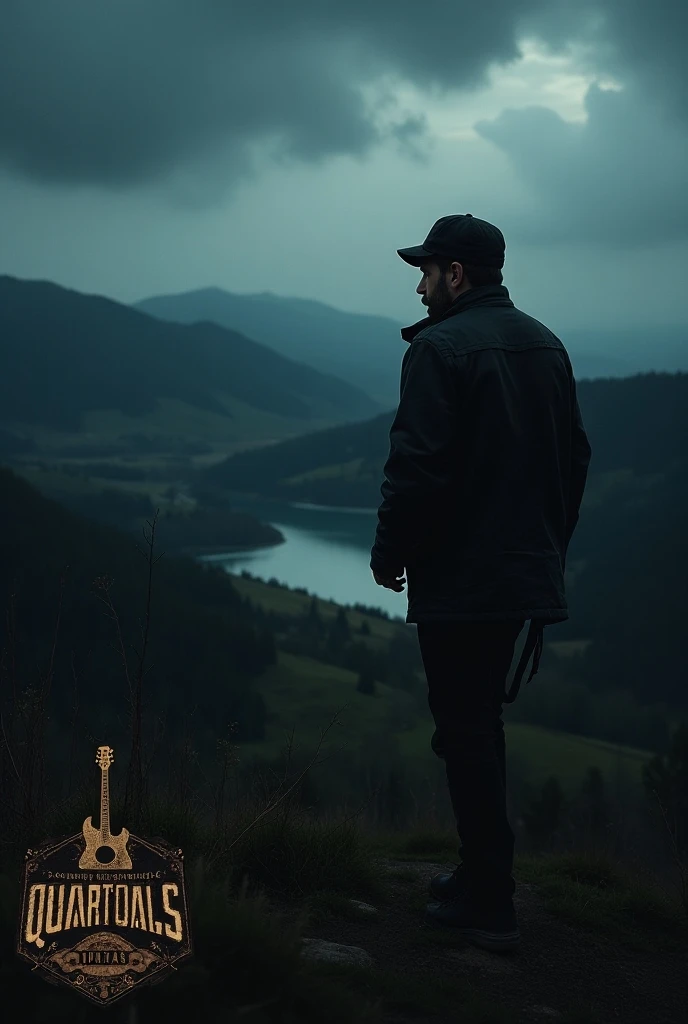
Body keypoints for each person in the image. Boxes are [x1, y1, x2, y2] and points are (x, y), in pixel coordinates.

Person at [369, 214, 592, 953]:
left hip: (463, 579)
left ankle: (490, 900)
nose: (420, 282)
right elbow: (576, 459)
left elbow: (418, 466)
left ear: (456, 274)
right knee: (477, 730)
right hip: (519, 573)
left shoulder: (438, 347)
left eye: (427, 269)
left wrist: (389, 551)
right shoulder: (547, 342)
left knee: (463, 732)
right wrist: (545, 550)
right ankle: (480, 876)